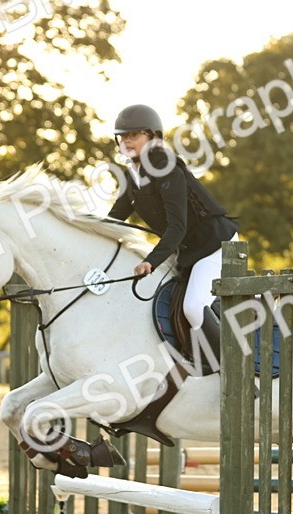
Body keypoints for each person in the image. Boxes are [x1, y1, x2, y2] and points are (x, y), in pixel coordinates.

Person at [106, 104, 239, 365]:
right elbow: (112, 222)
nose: (126, 141)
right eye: (123, 136)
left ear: (153, 137)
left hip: (214, 247)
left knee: (193, 306)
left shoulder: (168, 169)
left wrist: (151, 261)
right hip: (185, 252)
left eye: (134, 135)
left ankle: (233, 370)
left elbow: (177, 226)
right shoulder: (131, 177)